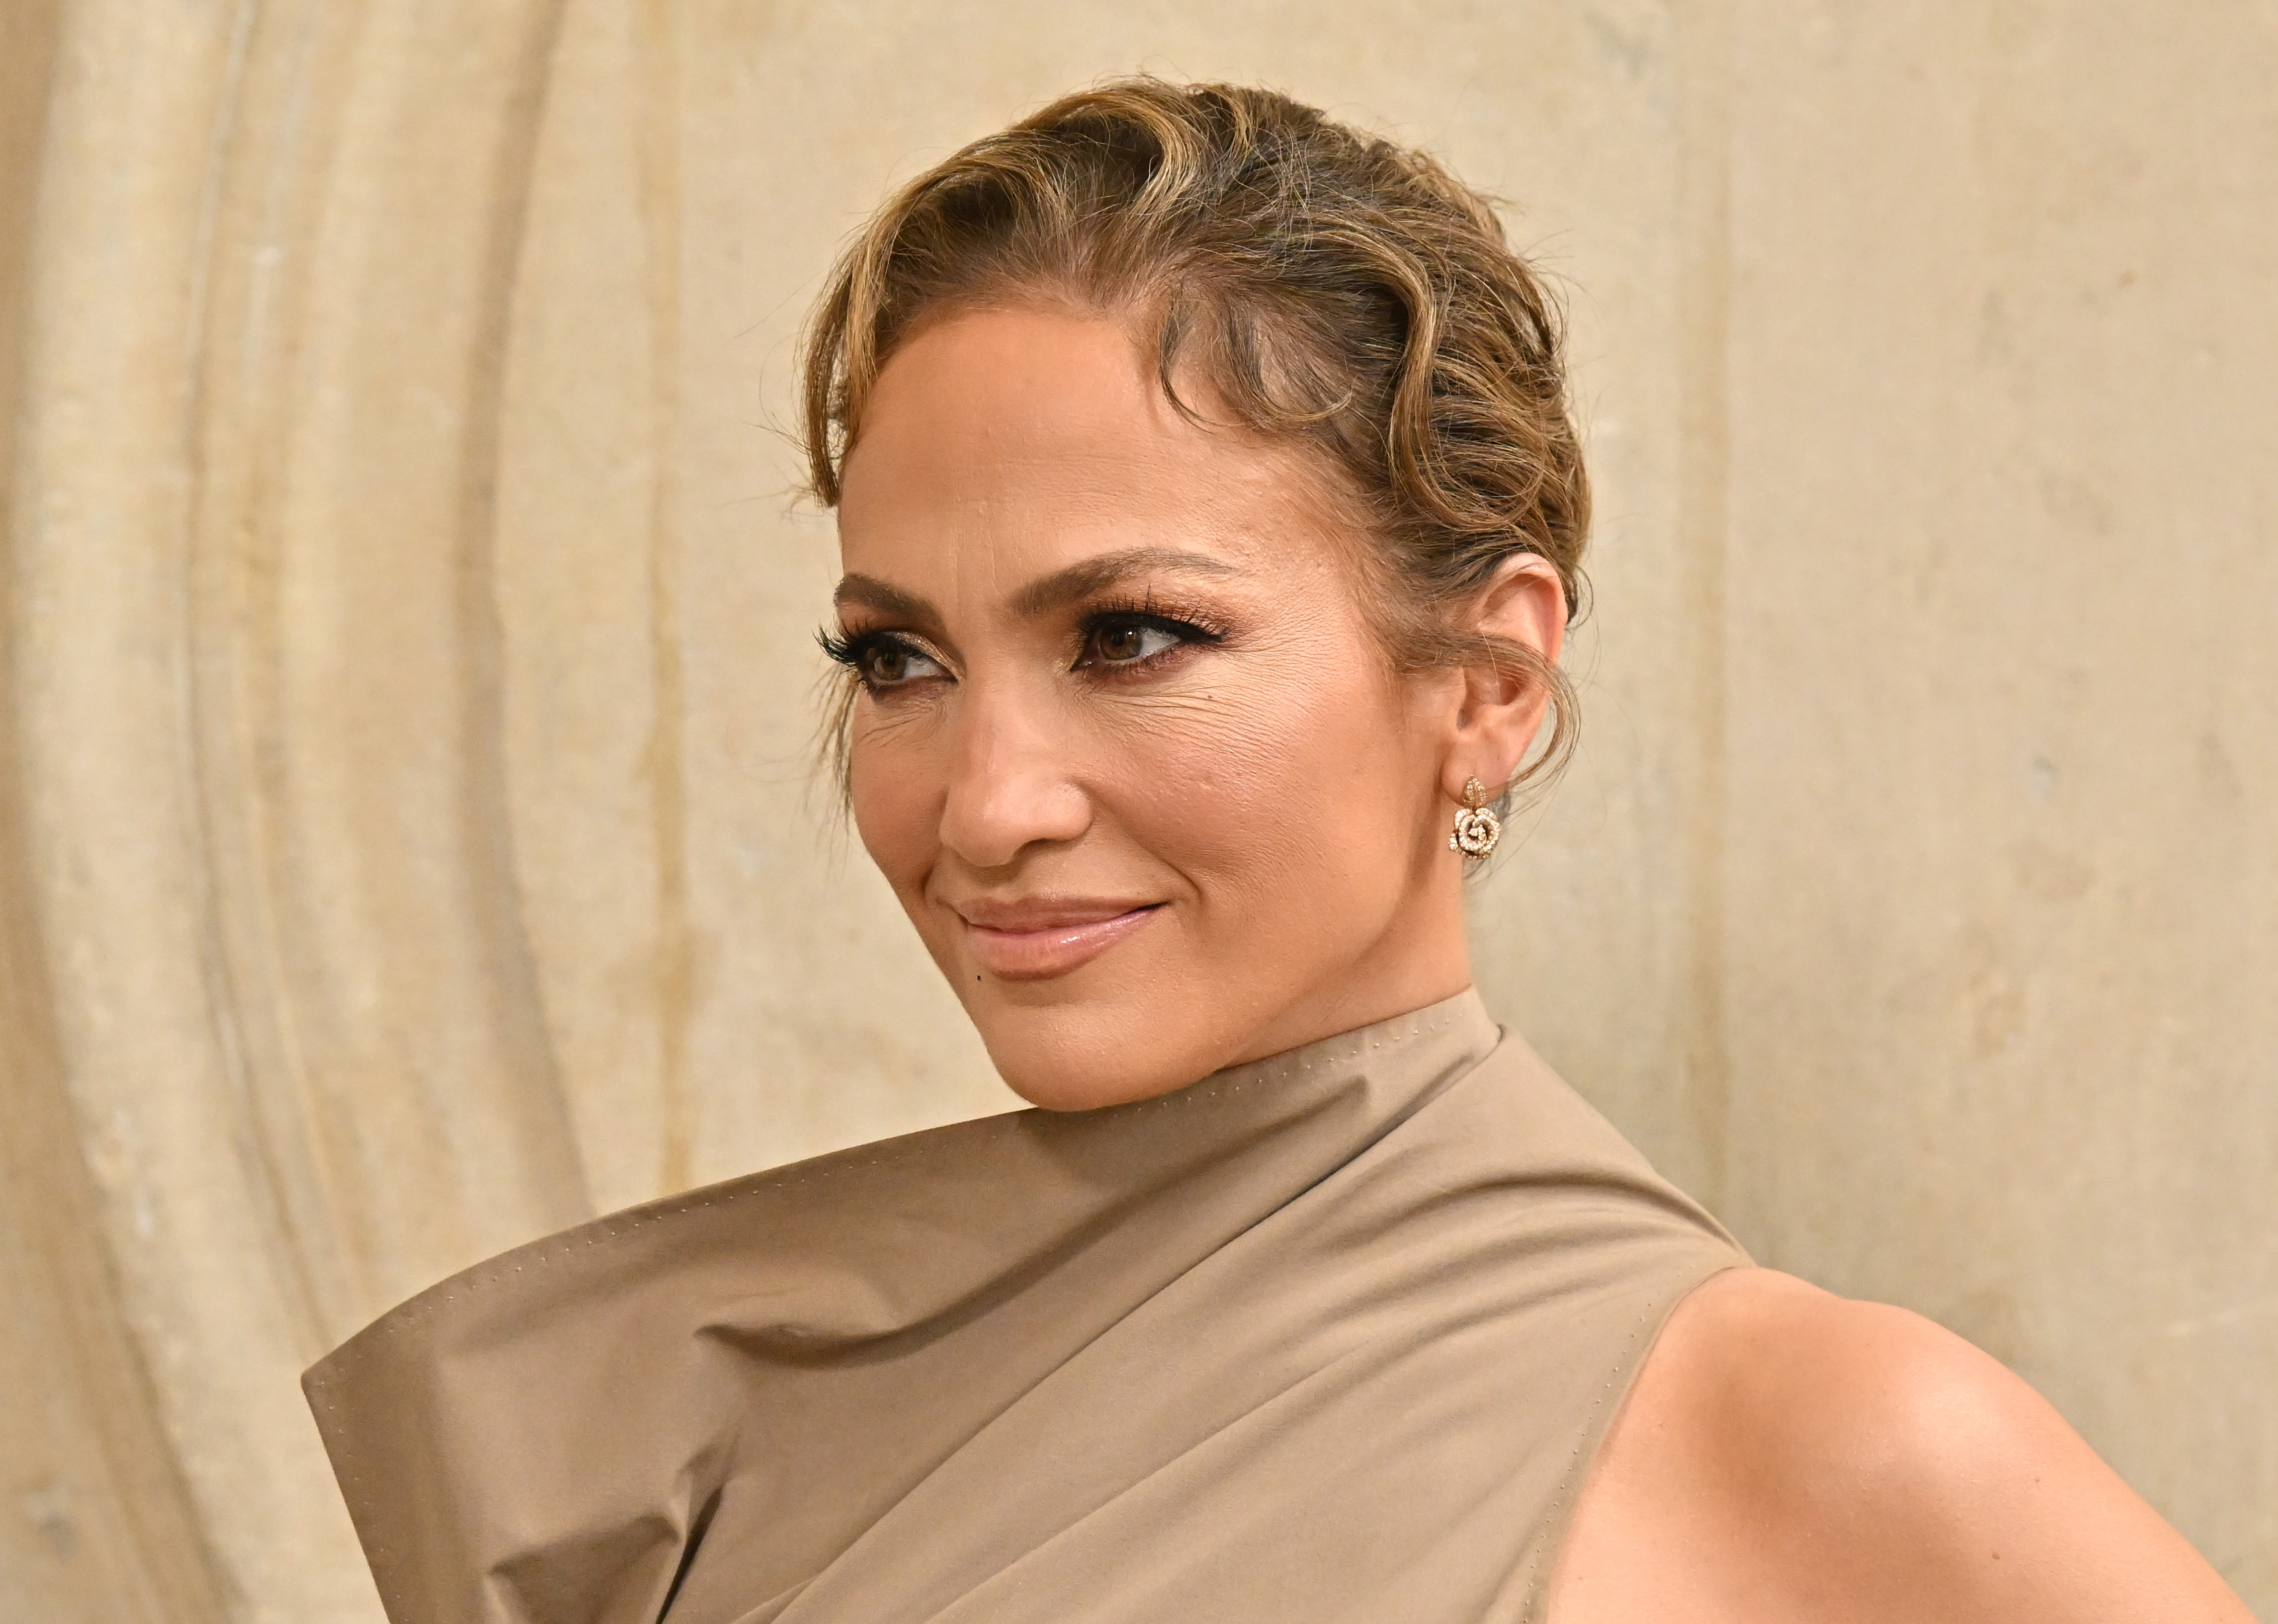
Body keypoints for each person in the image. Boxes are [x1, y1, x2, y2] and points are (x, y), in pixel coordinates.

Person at [304, 80, 2251, 1623]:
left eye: (1131, 636)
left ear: (1487, 680)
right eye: (897, 657)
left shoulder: (1820, 1444)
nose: (983, 802)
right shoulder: (728, 1400)